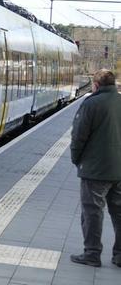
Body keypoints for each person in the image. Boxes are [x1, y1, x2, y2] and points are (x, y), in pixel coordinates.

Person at [70, 69, 121, 268]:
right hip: (119, 170)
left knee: (92, 212)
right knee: (119, 213)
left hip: (95, 170)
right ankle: (119, 256)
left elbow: (78, 137)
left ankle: (92, 253)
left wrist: (77, 160)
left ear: (96, 85)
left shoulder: (91, 104)